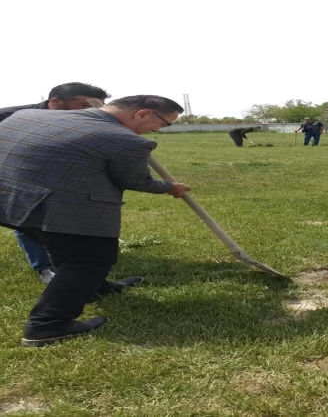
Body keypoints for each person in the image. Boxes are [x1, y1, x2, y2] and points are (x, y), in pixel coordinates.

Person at [0, 95, 191, 347]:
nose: (157, 130)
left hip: (8, 202)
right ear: (143, 114)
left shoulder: (28, 116)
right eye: (163, 124)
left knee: (66, 250)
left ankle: (95, 288)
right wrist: (170, 187)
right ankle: (47, 325)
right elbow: (134, 180)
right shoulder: (126, 140)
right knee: (89, 260)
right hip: (53, 206)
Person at [0, 82, 111, 284]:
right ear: (54, 102)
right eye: (86, 106)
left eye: (98, 107)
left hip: (55, 177)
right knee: (28, 220)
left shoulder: (80, 119)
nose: (93, 112)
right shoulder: (9, 116)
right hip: (12, 178)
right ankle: (45, 268)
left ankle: (74, 262)